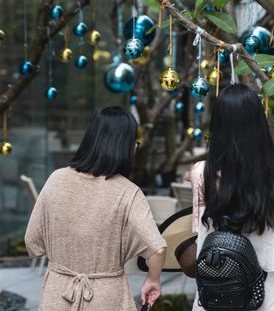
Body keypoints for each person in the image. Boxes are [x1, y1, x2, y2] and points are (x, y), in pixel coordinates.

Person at [25, 106, 167, 311]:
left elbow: (32, 242)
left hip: (57, 294)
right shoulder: (128, 192)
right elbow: (158, 249)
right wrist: (153, 280)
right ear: (124, 146)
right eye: (134, 143)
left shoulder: (56, 179)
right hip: (106, 297)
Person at [186, 84, 274, 311]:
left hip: (219, 290)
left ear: (218, 125)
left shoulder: (202, 174)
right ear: (259, 124)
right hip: (272, 291)